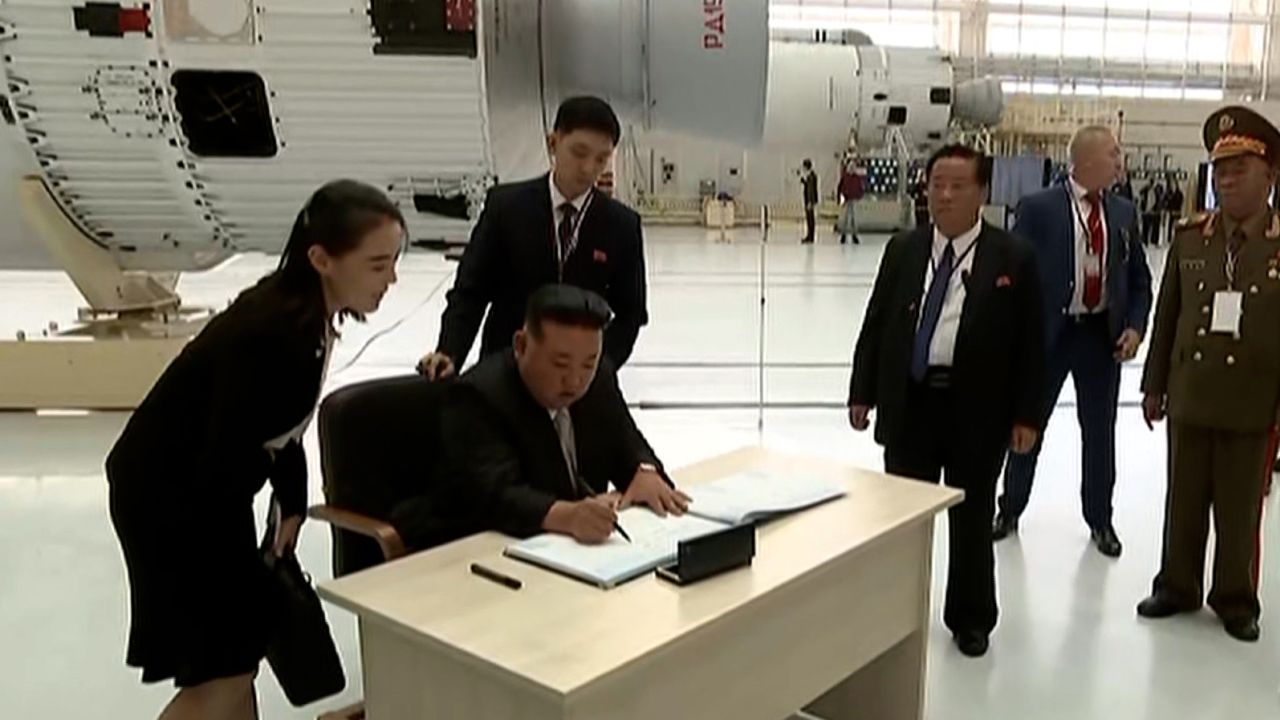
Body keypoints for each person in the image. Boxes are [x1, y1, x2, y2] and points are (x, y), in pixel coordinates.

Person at [105, 180, 405, 719]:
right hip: (173, 504)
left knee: (235, 660)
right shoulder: (273, 333)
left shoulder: (304, 316)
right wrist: (246, 564)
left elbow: (278, 430)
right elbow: (224, 456)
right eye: (378, 264)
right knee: (222, 670)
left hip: (200, 496)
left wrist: (290, 500)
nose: (391, 280)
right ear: (321, 258)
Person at [846, 144, 1045, 658]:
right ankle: (893, 614)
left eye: (958, 186)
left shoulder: (1013, 258)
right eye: (937, 184)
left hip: (976, 411)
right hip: (910, 403)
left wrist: (1027, 415)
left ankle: (971, 616)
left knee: (972, 516)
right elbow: (878, 322)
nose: (945, 195)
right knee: (901, 517)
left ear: (982, 192)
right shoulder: (904, 250)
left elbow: (1031, 344)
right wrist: (862, 390)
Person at [1137, 105, 1280, 643]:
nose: (1226, 179)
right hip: (1191, 392)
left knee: (1241, 508)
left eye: (1240, 168)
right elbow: (1167, 314)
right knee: (1184, 498)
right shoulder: (1192, 237)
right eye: (1220, 169)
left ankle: (1235, 599)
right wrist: (1154, 385)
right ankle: (1176, 585)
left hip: (1253, 398)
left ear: (1270, 175)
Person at [397, 285, 688, 548]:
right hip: (475, 551)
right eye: (560, 364)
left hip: (576, 554)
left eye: (588, 364)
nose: (575, 382)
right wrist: (568, 516)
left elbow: (627, 441)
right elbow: (495, 496)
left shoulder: (598, 379)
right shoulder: (478, 395)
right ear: (521, 345)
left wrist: (644, 471)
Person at [994, 125, 1153, 558]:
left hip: (1100, 338)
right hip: (1049, 335)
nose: (1120, 161)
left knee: (1100, 434)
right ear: (1084, 161)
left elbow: (1139, 279)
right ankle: (1010, 508)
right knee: (1028, 424)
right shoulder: (1039, 208)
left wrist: (1136, 328)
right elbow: (1014, 279)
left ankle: (1100, 518)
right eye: (1113, 153)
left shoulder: (1122, 212)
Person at [418, 96, 649, 380]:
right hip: (506, 369)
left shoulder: (622, 225)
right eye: (579, 153)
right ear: (553, 143)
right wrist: (450, 352)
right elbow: (471, 291)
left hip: (580, 383)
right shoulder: (505, 208)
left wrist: (598, 368)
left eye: (601, 159)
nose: (589, 168)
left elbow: (631, 313)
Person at [837, 155, 865, 245]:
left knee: (854, 219)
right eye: (850, 167)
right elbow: (840, 187)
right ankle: (843, 235)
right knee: (845, 218)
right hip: (846, 199)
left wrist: (859, 196)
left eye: (853, 167)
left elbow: (861, 188)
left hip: (854, 200)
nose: (852, 168)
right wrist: (840, 198)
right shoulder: (845, 177)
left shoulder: (857, 178)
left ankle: (854, 235)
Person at [801, 158, 819, 244]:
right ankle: (810, 235)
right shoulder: (811, 176)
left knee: (810, 219)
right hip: (810, 200)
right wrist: (804, 182)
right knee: (810, 219)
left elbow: (811, 190)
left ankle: (810, 236)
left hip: (809, 201)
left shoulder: (811, 176)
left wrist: (810, 202)